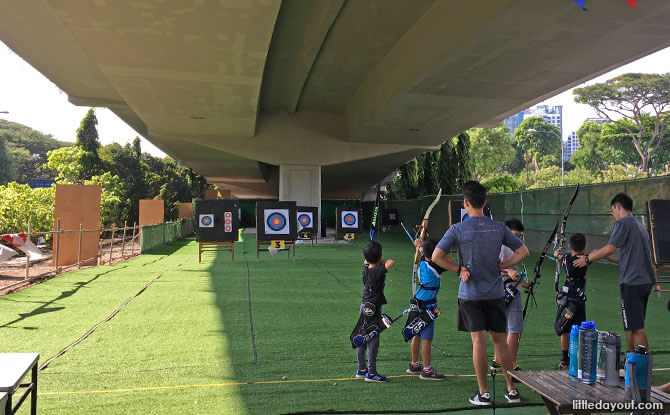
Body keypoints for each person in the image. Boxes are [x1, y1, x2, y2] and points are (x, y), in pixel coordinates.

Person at [431, 181, 529, 406]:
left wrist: (459, 269)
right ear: (485, 202)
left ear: (465, 204)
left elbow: (436, 256)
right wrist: (503, 264)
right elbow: (523, 251)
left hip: (470, 294)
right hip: (495, 293)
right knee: (500, 342)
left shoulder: (458, 228)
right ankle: (511, 390)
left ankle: (483, 394)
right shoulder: (498, 227)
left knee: (478, 342)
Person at [574, 193, 655, 352]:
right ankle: (631, 362)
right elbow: (626, 257)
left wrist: (588, 258)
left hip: (631, 282)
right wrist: (606, 256)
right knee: (632, 325)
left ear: (618, 207)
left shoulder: (623, 223)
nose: (613, 216)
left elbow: (610, 247)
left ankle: (641, 367)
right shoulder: (640, 226)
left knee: (637, 327)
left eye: (612, 211)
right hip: (644, 281)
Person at [491, 218, 530, 372]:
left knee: (503, 328)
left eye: (519, 236)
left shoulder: (514, 246)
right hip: (502, 289)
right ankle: (511, 365)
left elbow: (513, 271)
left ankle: (497, 361)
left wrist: (524, 283)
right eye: (514, 235)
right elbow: (490, 267)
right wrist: (508, 271)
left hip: (511, 288)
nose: (517, 239)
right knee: (514, 328)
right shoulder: (498, 245)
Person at [406, 239, 446, 380]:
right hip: (427, 306)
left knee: (417, 335)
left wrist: (420, 247)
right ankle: (427, 370)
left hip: (417, 303)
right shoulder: (437, 266)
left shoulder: (424, 262)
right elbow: (448, 259)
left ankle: (415, 364)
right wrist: (422, 247)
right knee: (426, 339)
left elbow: (426, 255)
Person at [355, 241, 395, 383]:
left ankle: (361, 369)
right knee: (373, 340)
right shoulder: (377, 271)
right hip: (373, 309)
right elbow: (391, 262)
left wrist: (375, 259)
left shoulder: (366, 268)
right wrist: (380, 261)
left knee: (362, 337)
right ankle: (371, 373)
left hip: (364, 306)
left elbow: (371, 261)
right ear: (379, 257)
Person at [554, 233, 588, 369]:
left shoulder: (566, 258)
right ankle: (580, 359)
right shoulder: (585, 259)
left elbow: (559, 255)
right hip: (578, 301)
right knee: (581, 329)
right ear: (584, 247)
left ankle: (565, 360)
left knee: (564, 329)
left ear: (569, 245)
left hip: (566, 300)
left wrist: (557, 252)